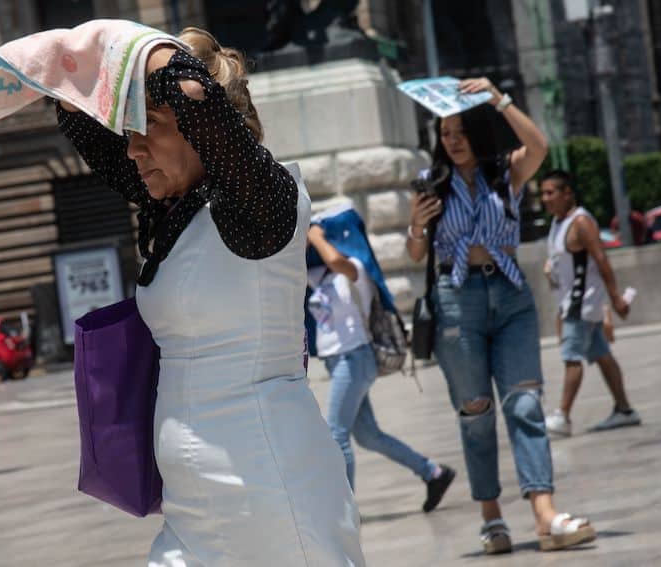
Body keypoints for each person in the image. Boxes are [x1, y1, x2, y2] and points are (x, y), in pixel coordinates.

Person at [57, 27, 365, 566]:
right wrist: (66, 67)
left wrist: (145, 51)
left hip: (269, 489)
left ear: (205, 132)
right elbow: (81, 122)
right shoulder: (178, 210)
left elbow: (191, 94)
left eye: (150, 126)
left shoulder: (264, 206)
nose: (132, 148)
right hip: (194, 505)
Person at [406, 78, 595, 554]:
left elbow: (539, 144)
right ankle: (492, 518)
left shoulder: (503, 173)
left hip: (510, 296)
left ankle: (544, 514)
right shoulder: (432, 184)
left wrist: (497, 98)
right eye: (444, 133)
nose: (451, 140)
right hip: (456, 300)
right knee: (475, 413)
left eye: (459, 131)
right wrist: (416, 224)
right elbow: (414, 254)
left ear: (478, 131)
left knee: (527, 406)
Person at [306, 217, 455, 513]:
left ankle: (344, 512)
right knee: (368, 435)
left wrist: (317, 235)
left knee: (336, 435)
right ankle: (433, 473)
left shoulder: (354, 268)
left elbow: (335, 260)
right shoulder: (315, 274)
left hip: (355, 357)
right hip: (337, 361)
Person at [540, 170, 641, 436]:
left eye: (551, 192)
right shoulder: (557, 223)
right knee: (603, 356)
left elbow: (601, 259)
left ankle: (563, 416)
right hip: (572, 303)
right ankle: (624, 410)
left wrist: (616, 297)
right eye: (543, 193)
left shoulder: (581, 222)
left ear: (567, 193)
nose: (545, 198)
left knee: (571, 358)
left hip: (581, 305)